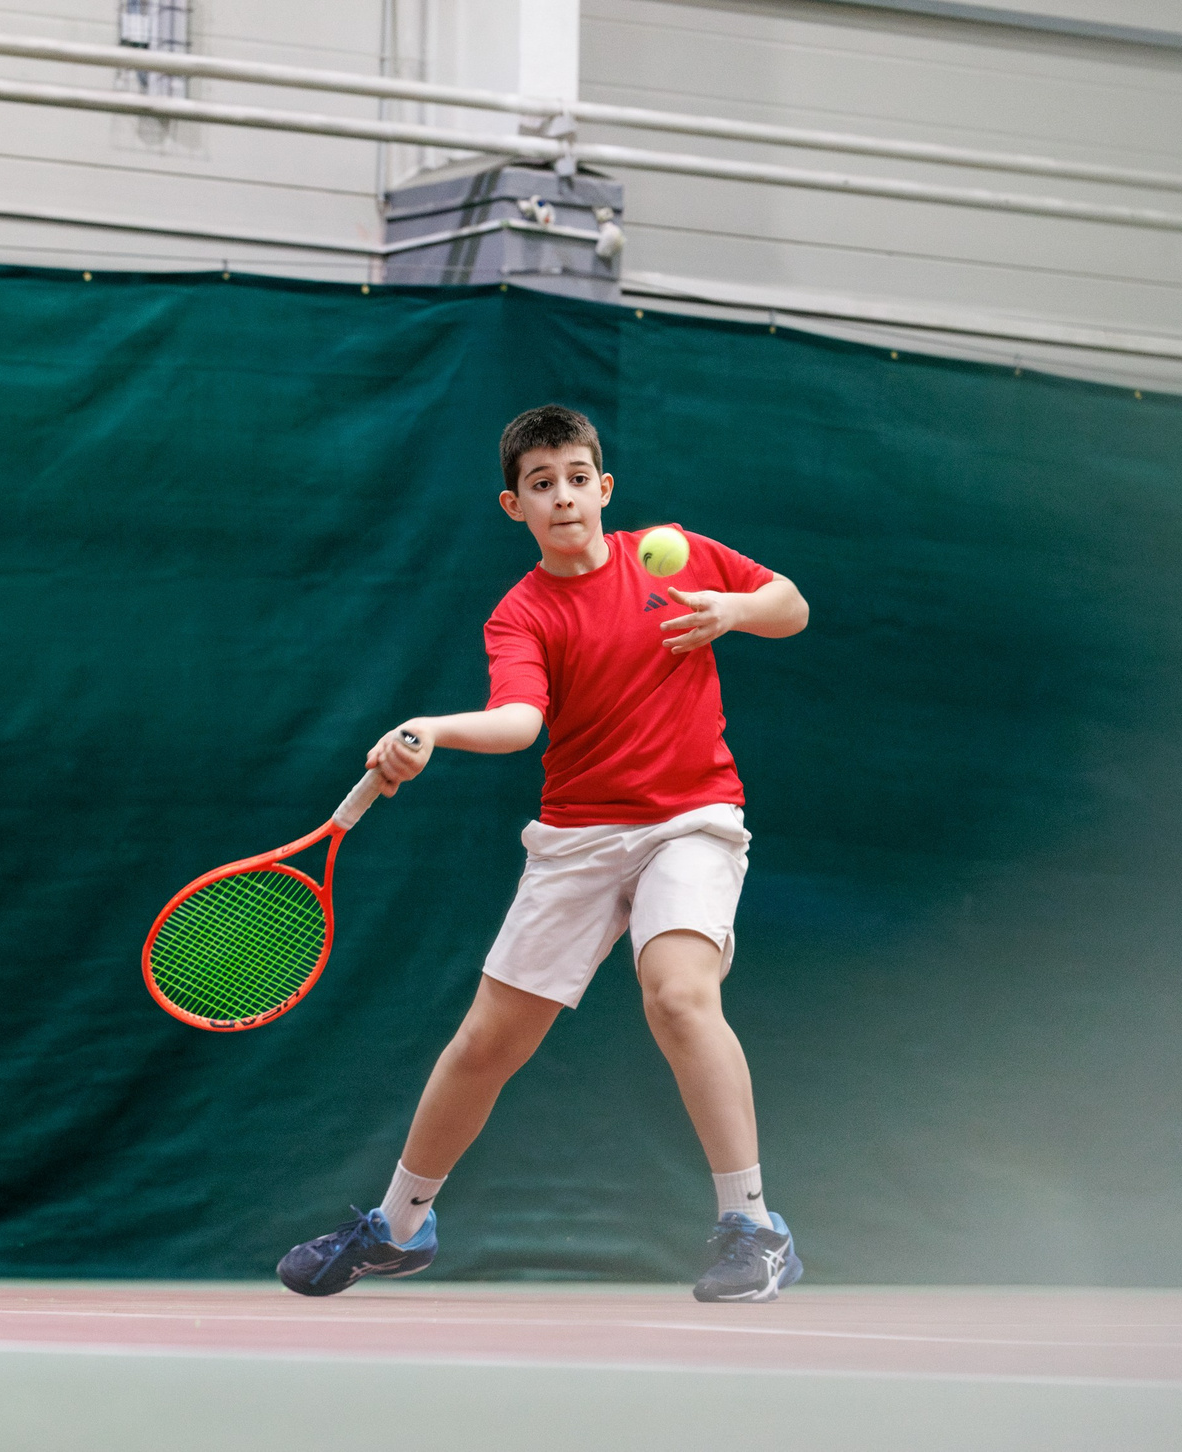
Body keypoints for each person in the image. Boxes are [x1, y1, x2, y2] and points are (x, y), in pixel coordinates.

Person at [276, 403, 811, 1303]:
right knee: (485, 1043)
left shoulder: (674, 554)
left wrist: (735, 608)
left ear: (603, 488)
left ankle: (753, 1228)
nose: (561, 498)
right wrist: (432, 729)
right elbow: (522, 722)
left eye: (574, 479)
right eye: (539, 485)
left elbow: (791, 606)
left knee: (679, 994)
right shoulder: (521, 614)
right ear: (512, 506)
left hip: (692, 819)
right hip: (577, 838)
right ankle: (399, 1228)